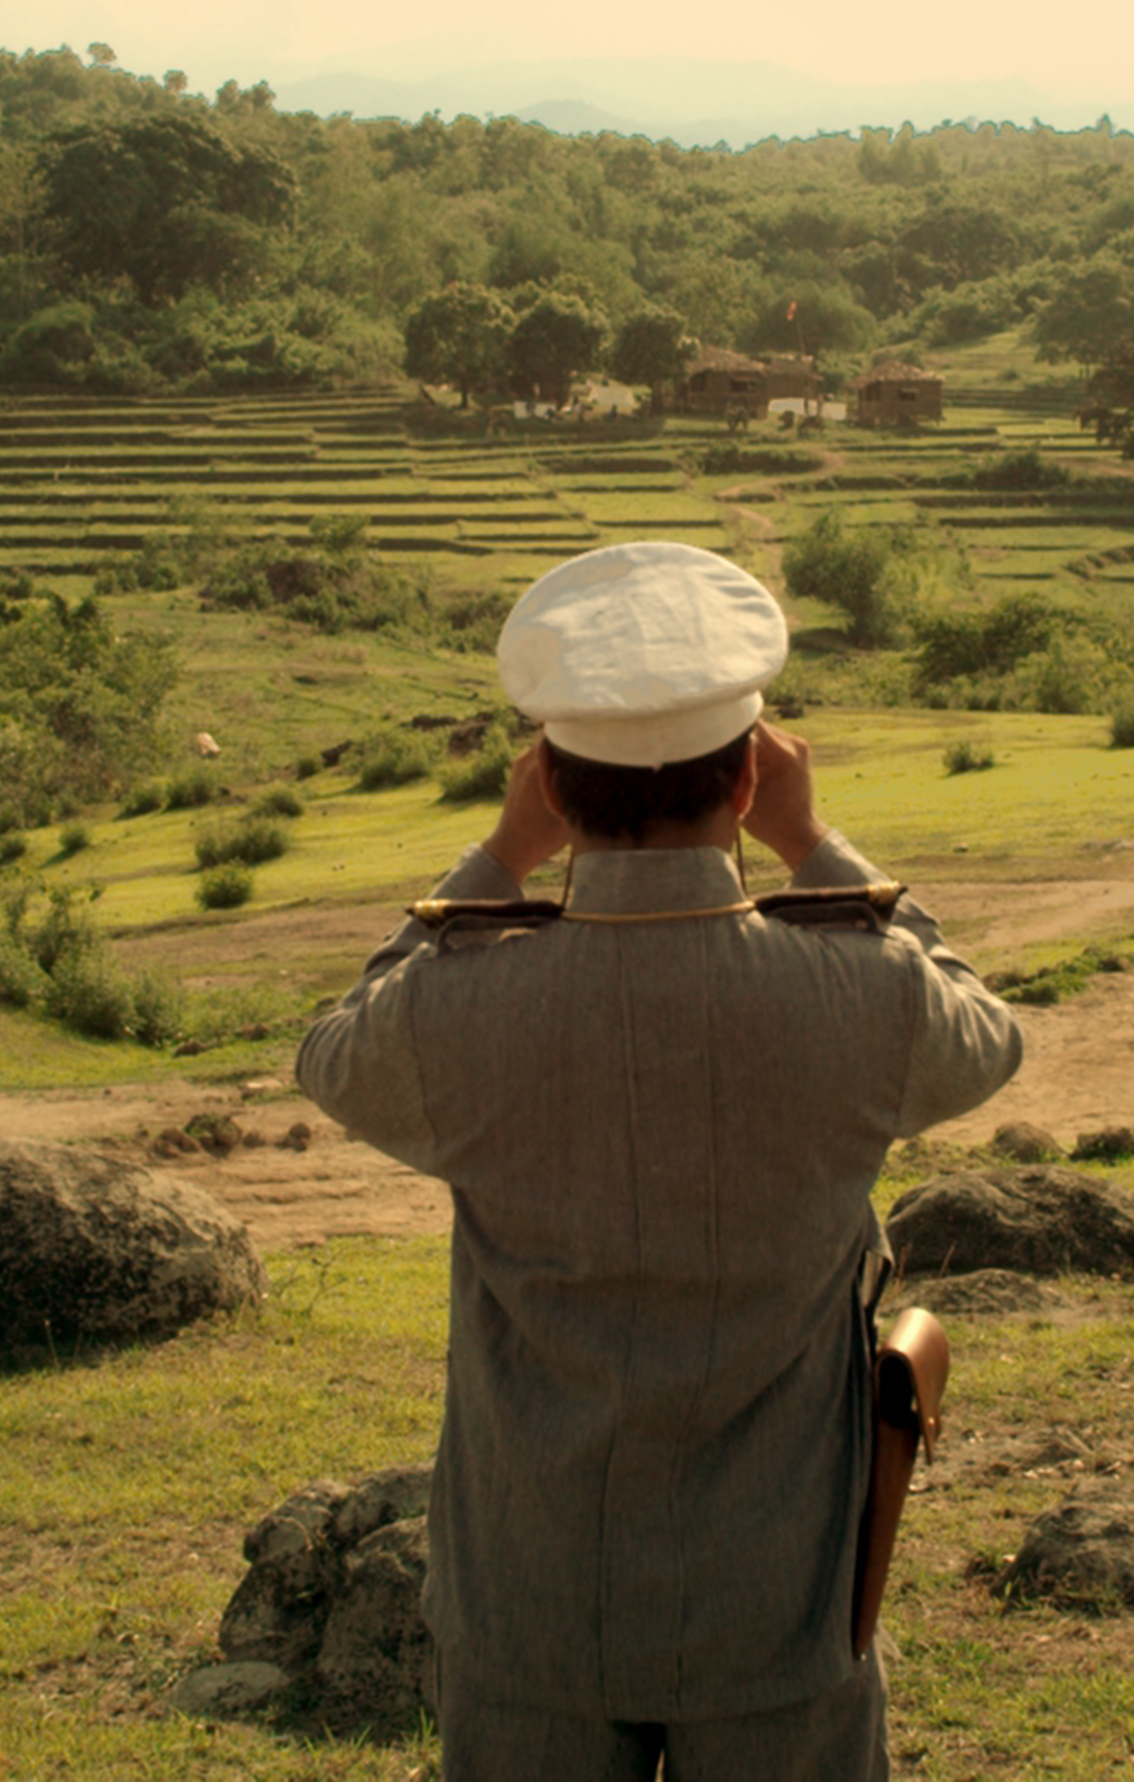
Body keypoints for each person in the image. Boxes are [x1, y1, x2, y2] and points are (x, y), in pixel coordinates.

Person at [298, 541, 1022, 1781]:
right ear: (749, 779)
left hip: (530, 1598)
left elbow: (336, 1053)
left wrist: (497, 860)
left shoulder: (459, 1006)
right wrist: (819, 847)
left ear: (552, 788)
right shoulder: (864, 991)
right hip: (784, 1600)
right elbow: (985, 1034)